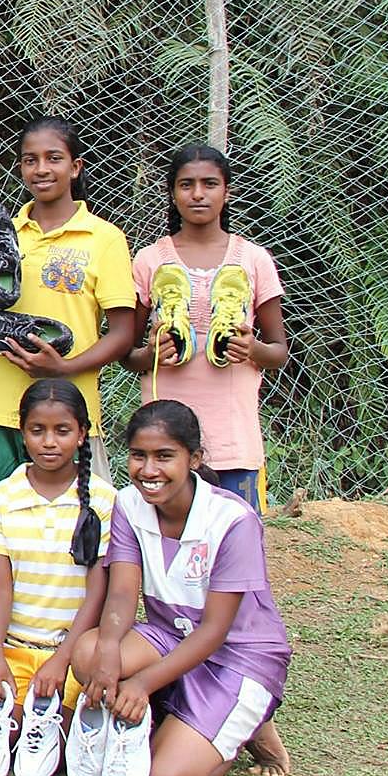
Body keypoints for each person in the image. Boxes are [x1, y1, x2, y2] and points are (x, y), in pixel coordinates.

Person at [68, 400, 292, 776]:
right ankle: (162, 719)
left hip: (237, 655)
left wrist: (142, 682)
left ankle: (248, 726)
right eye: (139, 455)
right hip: (171, 636)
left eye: (164, 456)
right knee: (90, 653)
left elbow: (215, 631)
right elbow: (122, 592)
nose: (149, 470)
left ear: (195, 459)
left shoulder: (233, 520)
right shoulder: (129, 504)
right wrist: (109, 649)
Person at [0, 118, 138, 486]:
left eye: (53, 158)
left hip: (67, 411)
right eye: (30, 160)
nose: (41, 169)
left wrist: (63, 368)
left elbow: (123, 333)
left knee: (74, 516)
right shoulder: (2, 233)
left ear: (75, 167)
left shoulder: (104, 238)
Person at [124, 144, 289, 513]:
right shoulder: (150, 260)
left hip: (234, 437)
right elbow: (128, 355)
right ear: (172, 193)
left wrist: (252, 349)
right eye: (186, 185)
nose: (198, 194)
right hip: (164, 439)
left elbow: (279, 351)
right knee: (165, 536)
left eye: (209, 184)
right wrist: (151, 353)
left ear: (227, 192)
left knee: (235, 533)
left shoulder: (253, 259)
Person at [0, 378, 116, 776]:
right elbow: (0, 586)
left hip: (72, 653)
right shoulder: (2, 498)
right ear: (22, 431)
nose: (49, 442)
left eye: (62, 431)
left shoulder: (104, 500)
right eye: (38, 430)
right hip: (14, 649)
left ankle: (55, 716)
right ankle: (26, 711)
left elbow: (98, 592)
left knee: (54, 747)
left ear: (82, 434)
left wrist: (62, 659)